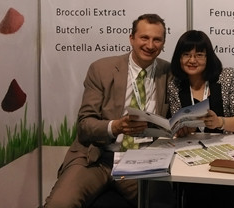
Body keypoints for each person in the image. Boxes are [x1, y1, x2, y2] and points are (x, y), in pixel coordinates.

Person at [45, 13, 172, 208]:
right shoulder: (101, 69)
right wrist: (116, 127)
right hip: (97, 157)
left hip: (141, 161)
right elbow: (85, 125)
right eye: (144, 37)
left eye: (157, 40)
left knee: (161, 204)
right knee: (60, 204)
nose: (150, 45)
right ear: (131, 38)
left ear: (163, 44)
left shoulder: (169, 73)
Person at [167, 29, 234, 208]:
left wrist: (219, 122)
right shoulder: (175, 84)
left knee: (221, 193)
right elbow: (178, 123)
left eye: (199, 55)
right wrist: (183, 128)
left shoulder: (226, 77)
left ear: (208, 57)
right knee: (196, 191)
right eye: (186, 54)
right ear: (179, 58)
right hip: (193, 155)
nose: (192, 60)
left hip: (229, 154)